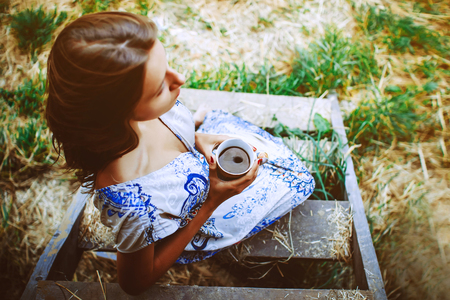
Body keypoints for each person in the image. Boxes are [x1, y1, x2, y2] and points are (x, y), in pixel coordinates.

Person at [46, 12, 315, 295]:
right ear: (118, 111)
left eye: (167, 66)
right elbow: (134, 284)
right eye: (160, 87)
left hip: (199, 171)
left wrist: (196, 137)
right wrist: (212, 201)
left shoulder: (136, 115)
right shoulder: (133, 201)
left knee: (262, 155)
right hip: (196, 217)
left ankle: (204, 122)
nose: (181, 79)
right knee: (299, 178)